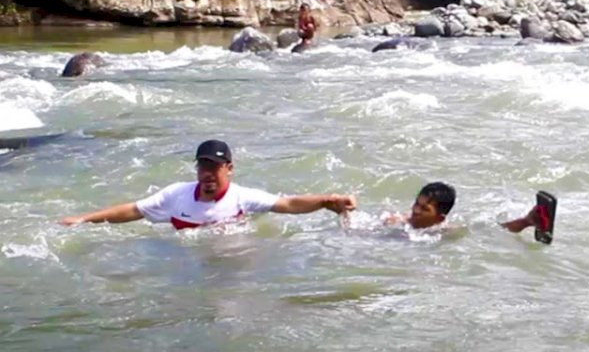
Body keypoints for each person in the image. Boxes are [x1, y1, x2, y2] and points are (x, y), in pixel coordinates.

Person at [59, 140, 356, 228]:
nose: (207, 174)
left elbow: (288, 204)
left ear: (229, 168)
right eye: (203, 166)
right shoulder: (176, 194)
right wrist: (84, 219)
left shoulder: (243, 197)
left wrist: (327, 201)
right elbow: (133, 211)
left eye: (214, 168)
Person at [383, 182, 550, 238]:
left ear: (440, 218)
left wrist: (524, 222)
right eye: (417, 204)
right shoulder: (397, 221)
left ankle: (530, 220)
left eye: (424, 208)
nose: (416, 211)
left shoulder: (445, 231)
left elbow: (491, 232)